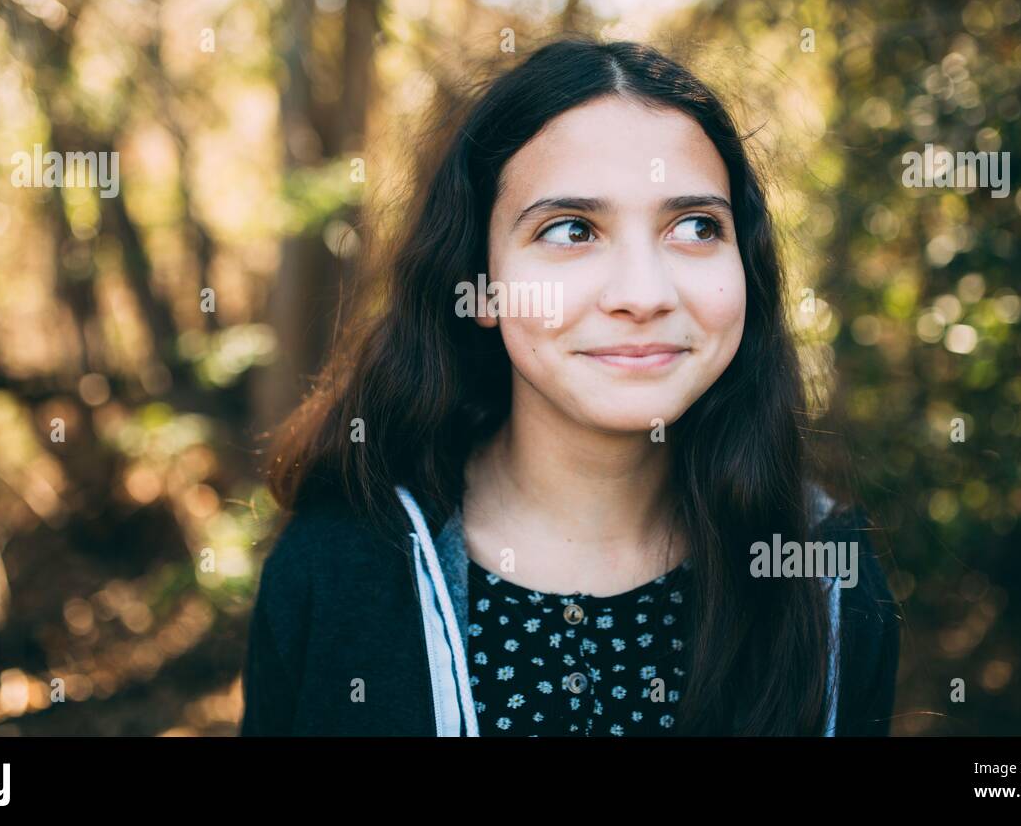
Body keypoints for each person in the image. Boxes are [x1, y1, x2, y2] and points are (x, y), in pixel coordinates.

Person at [241, 36, 900, 737]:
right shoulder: (336, 571)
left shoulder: (827, 584)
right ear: (481, 284)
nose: (642, 294)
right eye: (571, 230)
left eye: (696, 225)